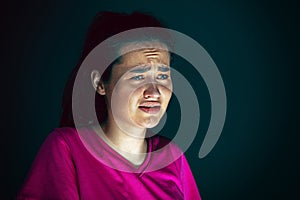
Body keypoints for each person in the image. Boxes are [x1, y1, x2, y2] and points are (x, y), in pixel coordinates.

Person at [17, 11, 201, 200]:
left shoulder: (172, 156)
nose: (154, 92)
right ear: (100, 83)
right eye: (138, 77)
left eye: (162, 76)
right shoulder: (67, 147)